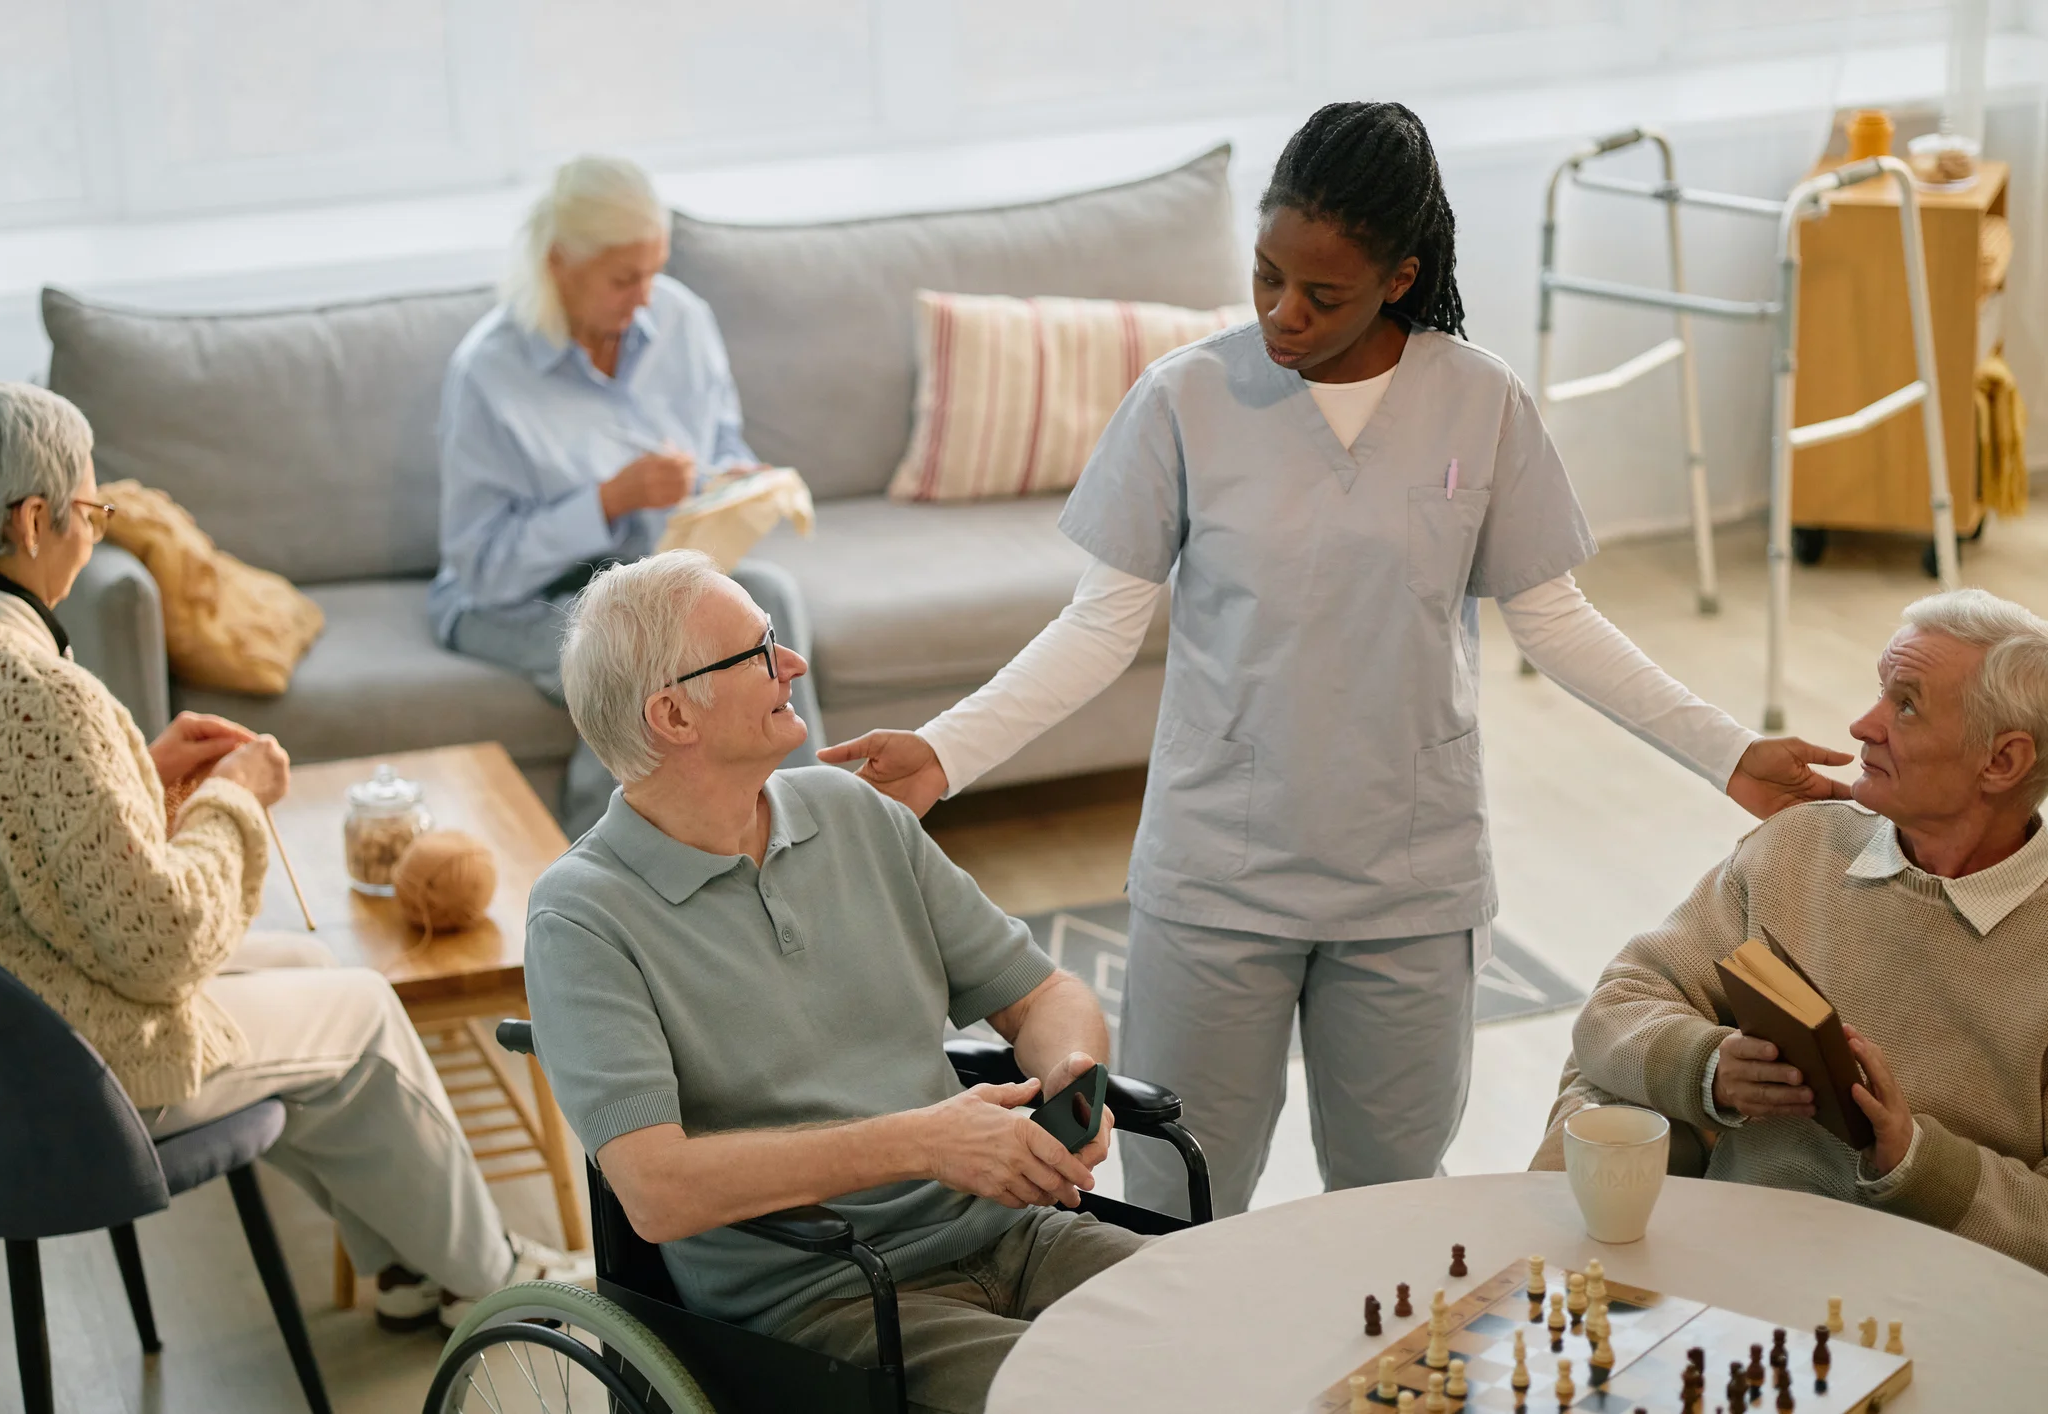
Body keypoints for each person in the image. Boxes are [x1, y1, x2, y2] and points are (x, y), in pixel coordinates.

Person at [818, 101, 1852, 1219]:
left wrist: (1729, 754)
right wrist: (942, 752)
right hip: (1218, 875)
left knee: (1394, 1204)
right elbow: (1101, 624)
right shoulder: (1185, 397)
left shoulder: (1479, 399)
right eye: (1265, 276)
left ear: (1401, 277)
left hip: (1409, 878)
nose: (1281, 313)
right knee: (1175, 1203)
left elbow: (1551, 619)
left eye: (1322, 293)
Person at [0, 382, 584, 1331]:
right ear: (32, 521)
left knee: (310, 965)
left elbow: (8, 844)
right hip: (84, 1065)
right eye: (89, 509)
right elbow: (163, 941)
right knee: (358, 1005)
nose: (96, 530)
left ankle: (406, 1269)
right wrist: (237, 797)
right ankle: (496, 1276)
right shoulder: (40, 692)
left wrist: (139, 779)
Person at [524, 550, 1147, 1414]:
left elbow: (1041, 996)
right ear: (672, 715)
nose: (795, 665)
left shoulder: (854, 813)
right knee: (1112, 1395)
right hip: (828, 1301)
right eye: (757, 653)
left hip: (1018, 1232)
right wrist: (923, 1144)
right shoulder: (582, 918)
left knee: (1244, 1317)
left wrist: (1072, 1072)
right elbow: (657, 1190)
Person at [1534, 589, 2048, 1274]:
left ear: (2001, 762)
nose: (1863, 725)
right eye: (1878, 693)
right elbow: (1615, 1006)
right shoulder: (1799, 846)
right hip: (1731, 1268)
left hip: (1939, 1294)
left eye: (1905, 705)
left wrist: (1915, 1158)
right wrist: (1711, 1069)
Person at [430, 153, 825, 834]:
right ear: (560, 263)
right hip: (519, 599)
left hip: (653, 576)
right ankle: (607, 885)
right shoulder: (487, 374)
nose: (646, 297)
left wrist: (734, 481)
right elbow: (483, 567)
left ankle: (809, 837)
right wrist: (607, 501)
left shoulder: (683, 320)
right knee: (632, 665)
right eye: (623, 278)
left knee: (771, 607)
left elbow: (723, 445)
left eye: (655, 271)